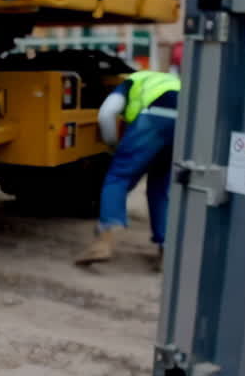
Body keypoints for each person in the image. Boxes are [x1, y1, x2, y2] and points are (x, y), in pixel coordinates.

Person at [75, 69, 181, 271]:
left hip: (153, 118)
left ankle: (105, 238)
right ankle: (167, 250)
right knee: (160, 189)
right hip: (182, 124)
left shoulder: (131, 82)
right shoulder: (172, 82)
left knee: (117, 178)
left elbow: (106, 113)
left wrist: (113, 146)